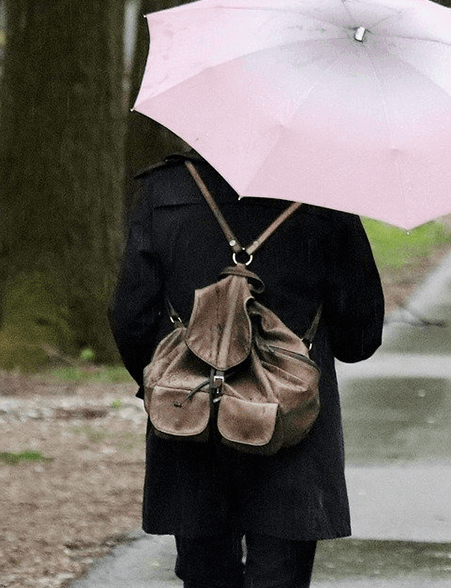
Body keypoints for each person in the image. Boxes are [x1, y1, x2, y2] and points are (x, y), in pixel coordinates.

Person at [110, 153, 384, 588]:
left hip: (189, 412)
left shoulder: (165, 191)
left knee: (205, 572)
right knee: (280, 572)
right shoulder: (326, 197)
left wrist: (170, 383)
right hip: (291, 425)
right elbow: (359, 339)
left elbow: (131, 317)